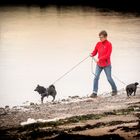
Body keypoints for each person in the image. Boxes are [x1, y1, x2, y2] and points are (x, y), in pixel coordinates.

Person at [90, 30, 117, 98]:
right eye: (99, 37)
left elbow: (108, 55)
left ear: (106, 37)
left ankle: (114, 90)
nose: (100, 39)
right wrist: (92, 54)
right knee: (96, 77)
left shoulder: (109, 44)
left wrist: (100, 59)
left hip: (107, 65)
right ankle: (94, 92)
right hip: (99, 65)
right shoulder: (98, 44)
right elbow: (95, 51)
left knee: (109, 78)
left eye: (101, 37)